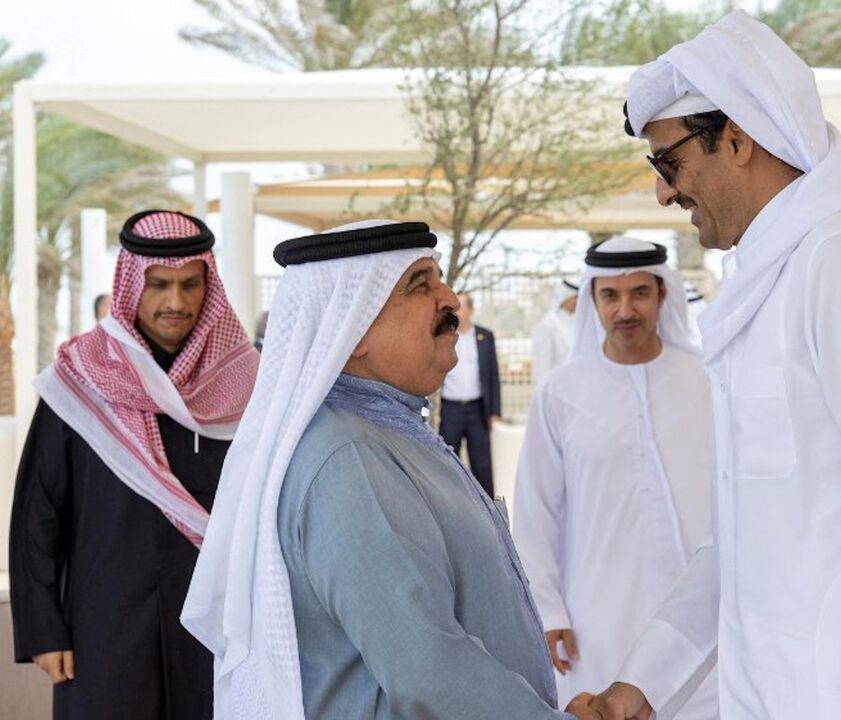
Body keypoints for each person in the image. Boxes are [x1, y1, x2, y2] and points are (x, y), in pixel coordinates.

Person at [588, 12, 841, 719]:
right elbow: (736, 540)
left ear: (734, 139)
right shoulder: (765, 283)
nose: (663, 193)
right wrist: (641, 683)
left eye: (667, 162)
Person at [181, 220, 596, 720]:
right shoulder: (346, 458)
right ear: (352, 328)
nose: (451, 300)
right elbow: (429, 670)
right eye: (420, 284)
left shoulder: (388, 431)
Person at [9, 210, 258, 720]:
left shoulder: (246, 381)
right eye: (159, 285)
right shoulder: (79, 378)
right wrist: (44, 628)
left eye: (191, 286)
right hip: (105, 623)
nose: (176, 302)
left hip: (219, 626)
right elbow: (39, 510)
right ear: (129, 286)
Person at [514, 238, 716, 719]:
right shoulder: (560, 392)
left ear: (662, 295)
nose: (625, 309)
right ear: (593, 300)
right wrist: (548, 610)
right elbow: (534, 510)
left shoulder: (709, 379)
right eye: (611, 296)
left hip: (703, 618)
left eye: (639, 293)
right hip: (598, 616)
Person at [440, 291, 502, 497]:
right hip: (451, 410)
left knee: (482, 466)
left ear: (471, 310)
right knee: (448, 463)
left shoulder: (485, 336)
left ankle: (490, 512)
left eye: (461, 306)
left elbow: (493, 375)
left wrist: (494, 412)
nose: (457, 311)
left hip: (478, 410)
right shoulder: (443, 336)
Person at [532, 279, 579, 386]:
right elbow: (542, 366)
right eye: (575, 297)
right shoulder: (547, 325)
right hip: (555, 389)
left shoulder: (576, 324)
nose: (578, 302)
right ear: (564, 298)